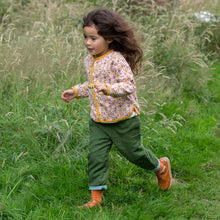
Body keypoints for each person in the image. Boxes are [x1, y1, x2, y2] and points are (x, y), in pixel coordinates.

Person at [61, 8, 172, 209]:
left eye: (93, 38)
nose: (87, 43)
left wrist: (109, 88)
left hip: (124, 119)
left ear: (109, 38)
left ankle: (161, 167)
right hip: (99, 121)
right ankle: (96, 199)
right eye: (85, 37)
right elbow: (92, 85)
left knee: (134, 153)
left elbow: (129, 86)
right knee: (96, 157)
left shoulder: (116, 59)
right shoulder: (89, 60)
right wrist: (75, 91)